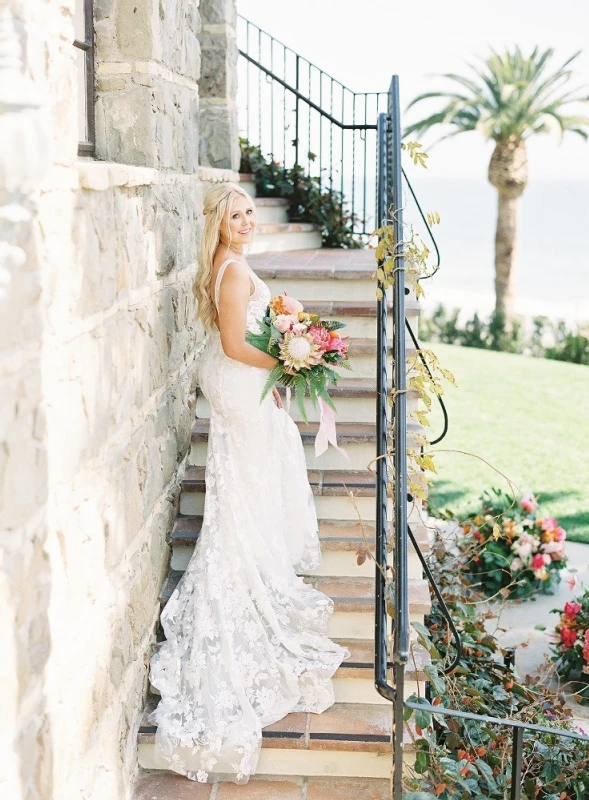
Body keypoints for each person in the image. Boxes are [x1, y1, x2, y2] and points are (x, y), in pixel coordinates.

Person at [148, 182, 349, 784]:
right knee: (253, 475)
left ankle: (250, 551)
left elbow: (237, 340)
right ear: (217, 221)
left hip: (235, 383)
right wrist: (292, 358)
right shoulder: (234, 273)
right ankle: (247, 569)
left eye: (248, 212)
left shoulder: (225, 265)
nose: (246, 221)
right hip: (237, 384)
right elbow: (237, 345)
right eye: (234, 215)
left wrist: (285, 347)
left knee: (248, 481)